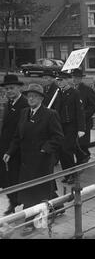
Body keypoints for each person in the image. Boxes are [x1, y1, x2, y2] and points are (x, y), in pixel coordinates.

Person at [3, 84, 64, 234]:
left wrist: (45, 148)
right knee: (32, 190)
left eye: (35, 96)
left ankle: (30, 222)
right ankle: (57, 206)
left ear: (41, 99)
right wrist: (9, 152)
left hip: (42, 161)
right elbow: (17, 136)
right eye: (29, 96)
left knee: (35, 192)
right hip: (26, 161)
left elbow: (58, 137)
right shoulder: (24, 113)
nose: (31, 99)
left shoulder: (50, 114)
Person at [0, 75, 29, 215]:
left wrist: (12, 149)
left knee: (24, 177)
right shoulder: (8, 104)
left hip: (21, 149)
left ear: (19, 88)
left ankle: (55, 204)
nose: (9, 91)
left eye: (12, 88)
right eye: (6, 89)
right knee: (8, 177)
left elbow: (21, 130)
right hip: (8, 148)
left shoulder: (24, 104)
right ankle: (13, 202)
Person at [56, 72, 86, 184]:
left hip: (71, 126)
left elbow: (80, 111)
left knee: (67, 149)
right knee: (61, 150)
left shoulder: (74, 93)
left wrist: (81, 128)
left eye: (62, 80)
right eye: (58, 80)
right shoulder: (58, 93)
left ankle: (73, 174)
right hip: (60, 126)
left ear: (68, 80)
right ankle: (67, 174)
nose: (60, 82)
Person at [71, 69, 95, 165]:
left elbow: (93, 105)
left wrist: (83, 115)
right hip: (74, 121)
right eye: (73, 77)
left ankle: (83, 157)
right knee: (75, 141)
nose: (74, 79)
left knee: (83, 142)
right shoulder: (71, 89)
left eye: (77, 78)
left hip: (84, 121)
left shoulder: (87, 89)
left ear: (81, 78)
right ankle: (82, 157)